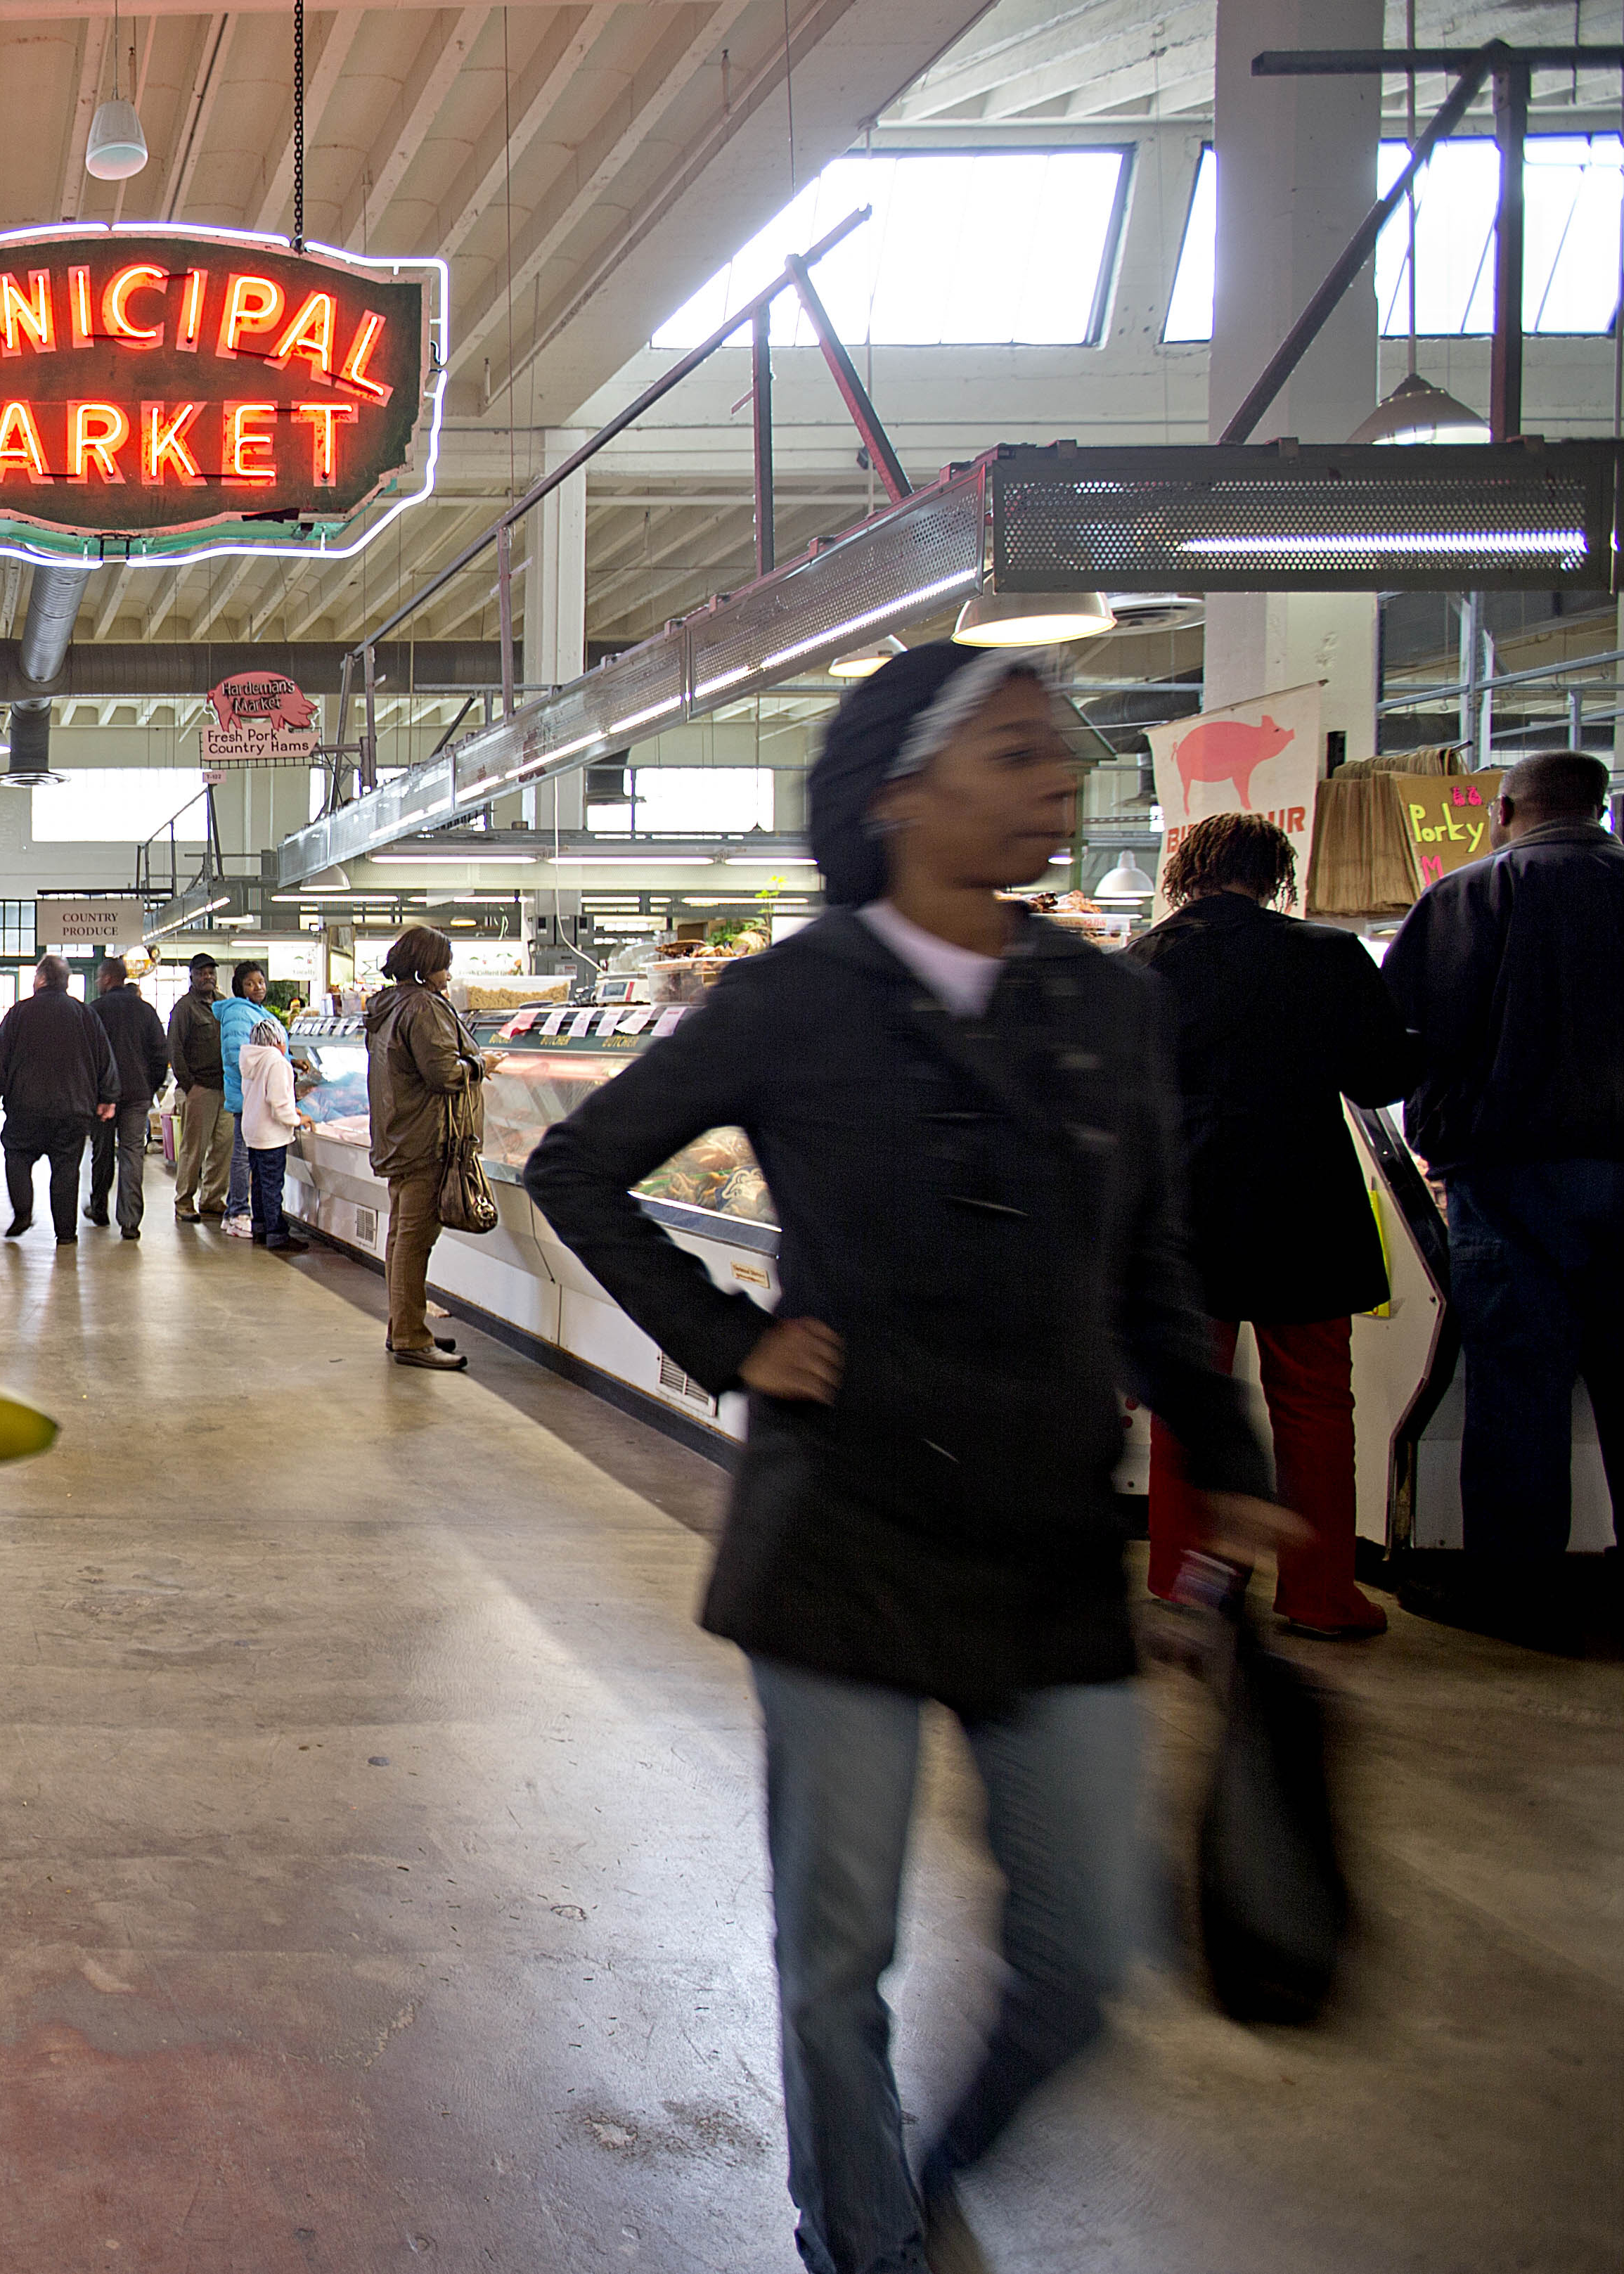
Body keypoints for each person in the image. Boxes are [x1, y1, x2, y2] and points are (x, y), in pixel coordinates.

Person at [522, 642, 1294, 2274]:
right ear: (893, 798)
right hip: (842, 1533)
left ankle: (917, 2176)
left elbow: (1146, 1254)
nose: (1054, 780)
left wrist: (1218, 1449)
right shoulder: (790, 998)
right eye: (1013, 753)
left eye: (1054, 752)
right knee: (832, 1958)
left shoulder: (1104, 1000)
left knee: (1087, 1950)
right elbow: (584, 1168)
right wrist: (730, 1341)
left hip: (1042, 1544)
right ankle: (865, 2243)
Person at [1121, 811, 1415, 1639]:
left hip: (1184, 1216)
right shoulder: (1326, 955)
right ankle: (1322, 1594)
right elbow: (1382, 1077)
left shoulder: (1142, 964)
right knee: (1317, 1404)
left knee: (1188, 1397)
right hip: (1304, 1209)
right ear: (1276, 871)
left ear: (1187, 871)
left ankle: (1185, 1581)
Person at [1379, 747, 1624, 1631]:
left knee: (1519, 1383)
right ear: (1598, 808)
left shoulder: (1472, 895)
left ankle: (1516, 1589)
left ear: (1509, 808)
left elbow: (1394, 1041)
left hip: (1509, 1174)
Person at [366, 925, 499, 1370]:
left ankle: (404, 1326)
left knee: (401, 1236)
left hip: (401, 1137)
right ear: (426, 966)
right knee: (414, 1241)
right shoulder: (423, 1006)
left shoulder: (389, 1006)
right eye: (443, 964)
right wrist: (481, 1064)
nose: (448, 974)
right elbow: (443, 1073)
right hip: (427, 1141)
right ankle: (409, 1337)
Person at [0, 953, 117, 1244]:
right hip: (74, 1109)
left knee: (17, 1156)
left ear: (39, 980)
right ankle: (66, 1233)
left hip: (26, 1108)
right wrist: (108, 1096)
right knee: (66, 1170)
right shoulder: (85, 1015)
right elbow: (105, 1059)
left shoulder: (19, 1013)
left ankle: (23, 1213)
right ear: (65, 982)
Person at [85, 956, 169, 1240]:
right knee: (133, 1154)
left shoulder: (95, 1011)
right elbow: (161, 1054)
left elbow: (87, 1057)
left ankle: (99, 1208)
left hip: (103, 1097)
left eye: (99, 977)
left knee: (102, 1151)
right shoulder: (145, 1011)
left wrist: (92, 1091)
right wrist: (149, 1086)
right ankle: (130, 1222)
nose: (98, 982)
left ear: (108, 979)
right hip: (137, 1096)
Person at [235, 1015, 312, 1257]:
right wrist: (298, 1119)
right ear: (278, 1040)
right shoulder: (278, 1063)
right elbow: (278, 1104)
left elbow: (260, 1096)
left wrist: (290, 1109)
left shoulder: (251, 1060)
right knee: (272, 1185)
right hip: (271, 1136)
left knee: (258, 1183)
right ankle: (277, 1234)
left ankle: (260, 1228)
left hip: (253, 1130)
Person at [168, 955, 233, 1221]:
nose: (208, 977)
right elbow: (174, 1048)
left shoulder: (225, 1004)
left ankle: (212, 1199)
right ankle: (184, 1201)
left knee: (224, 1146)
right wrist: (189, 1086)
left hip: (227, 1088)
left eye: (211, 973)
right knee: (194, 1148)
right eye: (202, 973)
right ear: (192, 977)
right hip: (200, 1088)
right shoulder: (184, 1009)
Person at [215, 961, 278, 1231]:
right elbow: (238, 1054)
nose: (258, 987)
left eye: (261, 982)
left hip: (255, 1093)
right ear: (239, 987)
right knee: (242, 1155)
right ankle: (239, 1213)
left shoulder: (255, 1012)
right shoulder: (239, 1013)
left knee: (246, 1155)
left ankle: (234, 1210)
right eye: (250, 983)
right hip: (248, 1095)